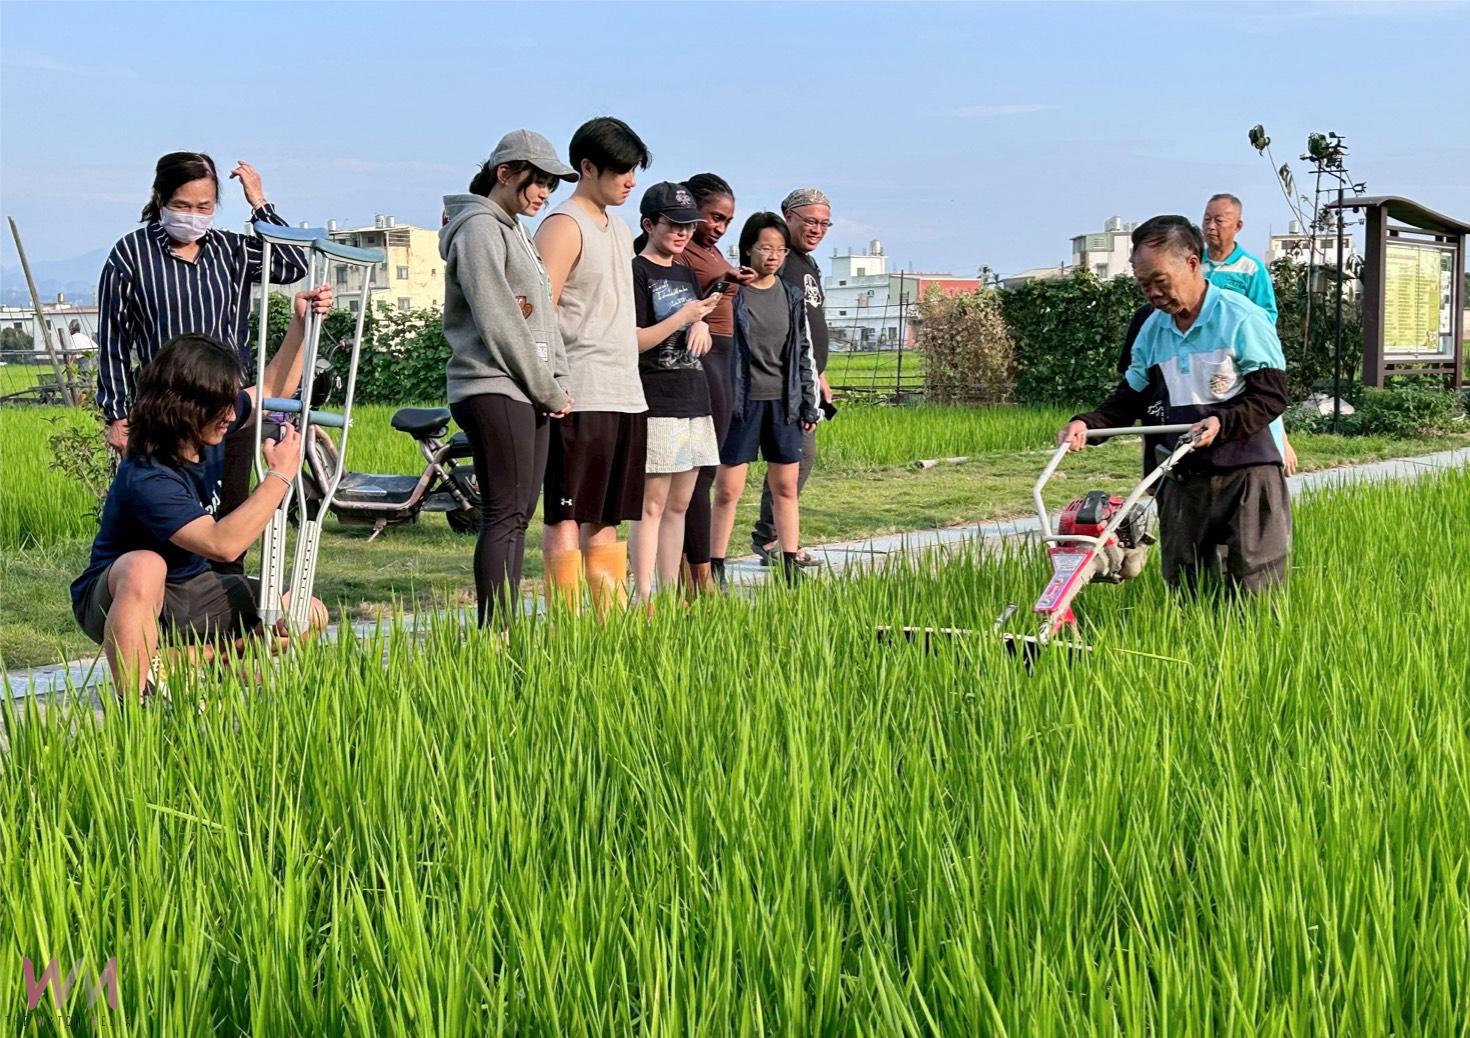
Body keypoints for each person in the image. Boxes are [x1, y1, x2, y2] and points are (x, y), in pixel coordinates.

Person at [70, 287, 333, 702]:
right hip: (121, 595)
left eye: (230, 403)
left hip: (194, 587)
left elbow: (269, 388)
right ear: (183, 406)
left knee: (307, 612)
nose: (231, 415)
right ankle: (137, 702)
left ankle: (185, 662)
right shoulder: (148, 474)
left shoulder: (212, 426)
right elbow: (222, 544)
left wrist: (300, 325)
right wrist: (280, 476)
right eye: (219, 406)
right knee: (145, 565)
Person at [96, 152, 309, 576]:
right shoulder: (131, 255)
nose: (193, 216)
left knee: (230, 507)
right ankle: (161, 605)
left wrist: (260, 203)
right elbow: (114, 340)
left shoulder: (230, 249)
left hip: (229, 405)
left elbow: (292, 264)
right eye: (182, 205)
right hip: (166, 411)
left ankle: (225, 606)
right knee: (165, 515)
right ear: (160, 199)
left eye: (204, 207)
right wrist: (117, 414)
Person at [1058, 216, 1291, 595]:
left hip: (1245, 473)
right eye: (1143, 284)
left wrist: (1221, 423)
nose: (1152, 293)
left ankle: (1254, 653)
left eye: (1159, 281)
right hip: (1180, 476)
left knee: (1254, 585)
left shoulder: (1241, 318)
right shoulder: (1153, 329)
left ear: (1193, 263)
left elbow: (1271, 395)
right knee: (1187, 586)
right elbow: (1130, 395)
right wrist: (1088, 422)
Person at [441, 130, 577, 630]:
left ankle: (505, 628)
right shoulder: (478, 229)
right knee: (504, 514)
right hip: (492, 385)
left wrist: (556, 380)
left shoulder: (513, 229)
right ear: (505, 173)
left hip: (527, 388)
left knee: (518, 515)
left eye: (550, 185)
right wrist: (545, 387)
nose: (543, 193)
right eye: (536, 181)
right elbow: (499, 322)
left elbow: (542, 315)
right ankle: (496, 634)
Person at [534, 117, 652, 620]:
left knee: (607, 519)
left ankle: (607, 626)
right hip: (578, 393)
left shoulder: (620, 227)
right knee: (566, 514)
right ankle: (568, 627)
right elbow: (539, 312)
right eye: (622, 170)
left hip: (624, 390)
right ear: (587, 167)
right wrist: (550, 385)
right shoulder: (563, 225)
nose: (630, 181)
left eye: (634, 171)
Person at [710, 213, 820, 586]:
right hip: (742, 403)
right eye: (765, 248)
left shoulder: (791, 296)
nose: (773, 256)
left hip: (783, 402)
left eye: (780, 249)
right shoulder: (731, 292)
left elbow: (801, 350)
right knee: (728, 490)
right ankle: (715, 565)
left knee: (785, 487)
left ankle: (789, 561)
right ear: (747, 249)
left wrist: (808, 401)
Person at [627, 183, 723, 605]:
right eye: (674, 225)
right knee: (651, 504)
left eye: (689, 225)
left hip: (693, 397)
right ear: (649, 224)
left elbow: (694, 320)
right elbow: (634, 340)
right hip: (657, 400)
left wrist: (700, 323)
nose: (683, 233)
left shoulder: (684, 272)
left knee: (681, 503)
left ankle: (671, 594)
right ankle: (644, 596)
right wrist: (685, 316)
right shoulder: (636, 271)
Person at [673, 173, 755, 595]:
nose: (720, 227)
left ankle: (697, 572)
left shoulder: (709, 250)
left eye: (727, 220)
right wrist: (725, 284)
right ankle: (697, 577)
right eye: (714, 217)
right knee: (699, 473)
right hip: (703, 356)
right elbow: (682, 304)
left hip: (725, 357)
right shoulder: (683, 251)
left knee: (707, 467)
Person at [751, 187, 833, 567]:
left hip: (806, 377)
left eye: (824, 223)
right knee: (795, 457)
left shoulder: (807, 263)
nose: (817, 229)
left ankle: (773, 537)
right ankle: (771, 539)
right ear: (788, 215)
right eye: (809, 221)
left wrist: (820, 374)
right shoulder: (781, 261)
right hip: (782, 381)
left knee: (797, 458)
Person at [1200, 191, 1296, 475]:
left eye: (1219, 220)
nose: (1211, 226)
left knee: (1260, 395)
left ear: (1237, 226)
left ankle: (1279, 446)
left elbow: (1267, 315)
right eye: (1206, 219)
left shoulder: (1251, 268)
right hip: (1202, 355)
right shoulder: (1195, 265)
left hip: (1240, 355)